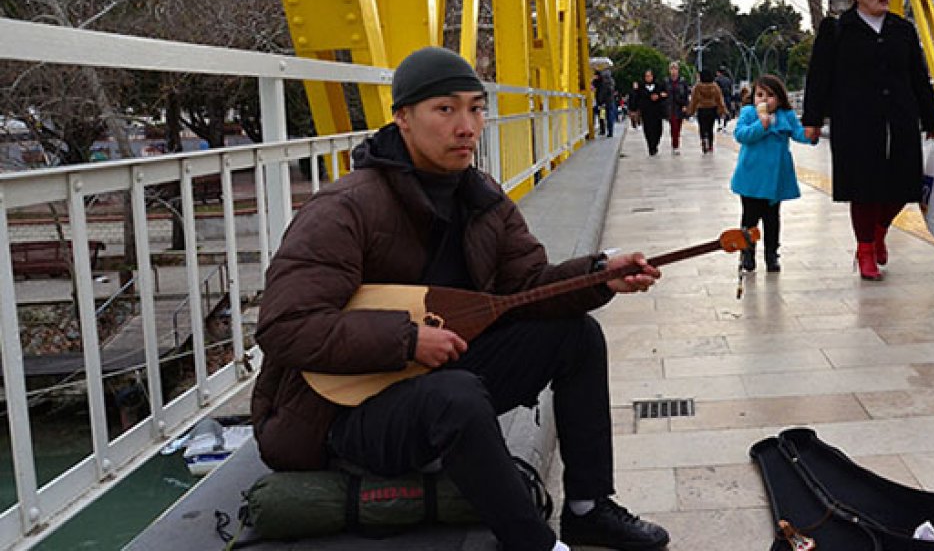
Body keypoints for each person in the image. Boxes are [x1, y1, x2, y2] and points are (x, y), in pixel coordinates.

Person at [251, 47, 671, 551]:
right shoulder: (345, 208)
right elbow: (285, 325)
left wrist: (599, 275)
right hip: (343, 413)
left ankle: (588, 507)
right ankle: (535, 544)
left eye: (475, 108)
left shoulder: (482, 197)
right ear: (402, 118)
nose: (467, 126)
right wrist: (407, 340)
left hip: (437, 379)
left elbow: (526, 287)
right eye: (445, 109)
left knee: (577, 337)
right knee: (457, 394)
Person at [803, 0, 934, 281]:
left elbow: (918, 76)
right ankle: (865, 250)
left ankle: (880, 231)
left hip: (900, 119)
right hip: (855, 121)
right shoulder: (838, 29)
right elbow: (819, 75)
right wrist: (812, 119)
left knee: (903, 185)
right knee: (863, 188)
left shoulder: (902, 29)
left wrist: (932, 117)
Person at [731, 74, 818, 272]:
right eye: (759, 94)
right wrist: (761, 125)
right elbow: (741, 135)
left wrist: (810, 134)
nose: (763, 99)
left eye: (770, 95)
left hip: (775, 179)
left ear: (779, 98)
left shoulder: (785, 116)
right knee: (749, 219)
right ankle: (747, 253)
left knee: (772, 219)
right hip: (751, 179)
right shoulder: (748, 113)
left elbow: (797, 133)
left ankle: (772, 254)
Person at [686, 68, 728, 153]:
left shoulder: (698, 86)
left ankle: (704, 140)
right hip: (712, 109)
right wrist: (723, 110)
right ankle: (710, 145)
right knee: (710, 128)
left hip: (701, 109)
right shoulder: (714, 85)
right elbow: (719, 99)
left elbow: (694, 100)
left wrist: (690, 111)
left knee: (702, 127)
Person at [635, 69, 667, 155]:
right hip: (646, 112)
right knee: (648, 130)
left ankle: (655, 144)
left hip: (657, 112)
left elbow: (665, 94)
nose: (648, 78)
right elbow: (637, 98)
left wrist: (658, 96)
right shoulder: (641, 87)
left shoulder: (659, 85)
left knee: (658, 130)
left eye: (649, 76)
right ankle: (651, 147)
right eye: (646, 76)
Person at [665, 62, 690, 154]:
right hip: (670, 107)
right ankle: (675, 145)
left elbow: (686, 94)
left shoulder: (682, 81)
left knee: (678, 127)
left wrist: (685, 105)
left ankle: (675, 142)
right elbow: (663, 92)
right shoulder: (666, 81)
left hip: (680, 106)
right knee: (673, 126)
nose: (673, 71)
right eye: (672, 69)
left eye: (675, 69)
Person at [594, 68, 617, 137]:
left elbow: (600, 92)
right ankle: (610, 131)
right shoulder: (611, 81)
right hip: (610, 101)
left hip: (602, 102)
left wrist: (601, 101)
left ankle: (603, 130)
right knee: (609, 116)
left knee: (602, 116)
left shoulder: (601, 81)